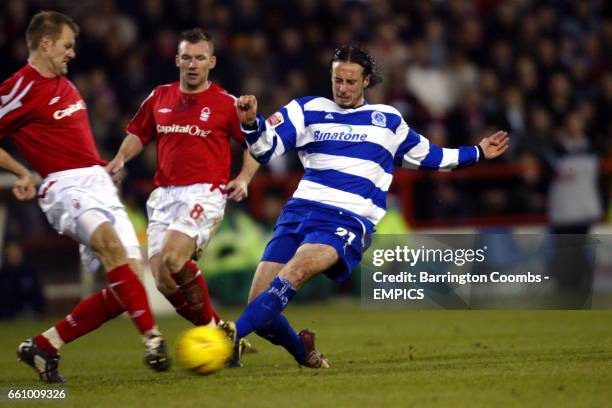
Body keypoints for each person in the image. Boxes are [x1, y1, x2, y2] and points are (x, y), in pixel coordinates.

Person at [225, 44, 509, 368]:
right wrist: (251, 125)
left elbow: (432, 156)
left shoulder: (387, 121)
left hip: (346, 220)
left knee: (298, 269)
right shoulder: (307, 110)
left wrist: (477, 152)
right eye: (337, 80)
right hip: (299, 212)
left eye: (350, 81)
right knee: (259, 307)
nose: (342, 88)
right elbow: (265, 149)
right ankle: (303, 351)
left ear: (366, 81)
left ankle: (230, 337)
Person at [0, 11, 168, 383]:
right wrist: (21, 171)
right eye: (67, 46)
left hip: (98, 183)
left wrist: (103, 168)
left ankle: (45, 345)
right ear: (45, 44)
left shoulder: (64, 84)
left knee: (127, 284)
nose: (72, 53)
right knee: (110, 245)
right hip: (64, 188)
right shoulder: (20, 88)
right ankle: (153, 340)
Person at [107, 29, 259, 330]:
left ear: (211, 62)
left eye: (199, 58)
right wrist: (120, 158)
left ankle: (215, 336)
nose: (192, 64)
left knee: (173, 259)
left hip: (205, 192)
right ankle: (219, 334)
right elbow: (139, 133)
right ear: (177, 60)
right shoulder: (159, 97)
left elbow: (256, 143)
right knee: (163, 280)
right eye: (187, 57)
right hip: (163, 195)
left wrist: (243, 178)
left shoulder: (225, 103)